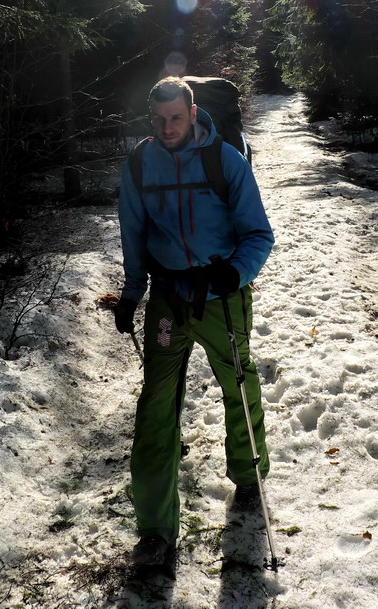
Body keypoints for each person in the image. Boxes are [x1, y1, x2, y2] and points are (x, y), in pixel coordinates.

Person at [115, 76, 274, 566]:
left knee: (238, 383)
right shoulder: (140, 163)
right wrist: (131, 292)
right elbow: (133, 232)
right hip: (168, 297)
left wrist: (236, 272)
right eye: (159, 119)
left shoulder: (223, 160)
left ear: (191, 112)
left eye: (176, 118)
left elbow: (259, 234)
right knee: (156, 404)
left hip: (221, 295)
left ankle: (248, 473)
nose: (167, 128)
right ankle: (155, 530)